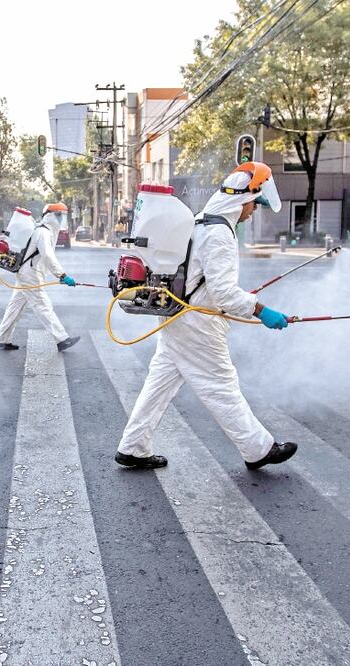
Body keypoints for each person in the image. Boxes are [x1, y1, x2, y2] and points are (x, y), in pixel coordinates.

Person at [114, 162, 297, 470]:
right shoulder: (220, 235)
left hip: (177, 316)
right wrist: (262, 311)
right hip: (197, 324)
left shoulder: (202, 221)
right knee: (221, 384)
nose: (254, 211)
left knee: (159, 383)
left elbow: (203, 278)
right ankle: (258, 449)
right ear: (240, 199)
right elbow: (224, 293)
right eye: (254, 203)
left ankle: (133, 446)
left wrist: (235, 298)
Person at [0, 202, 80, 352]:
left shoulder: (45, 231)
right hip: (30, 275)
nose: (61, 220)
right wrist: (62, 275)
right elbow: (48, 256)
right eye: (59, 216)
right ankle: (62, 339)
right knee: (43, 305)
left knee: (15, 306)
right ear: (50, 216)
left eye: (63, 216)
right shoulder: (43, 232)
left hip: (27, 272)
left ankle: (2, 338)